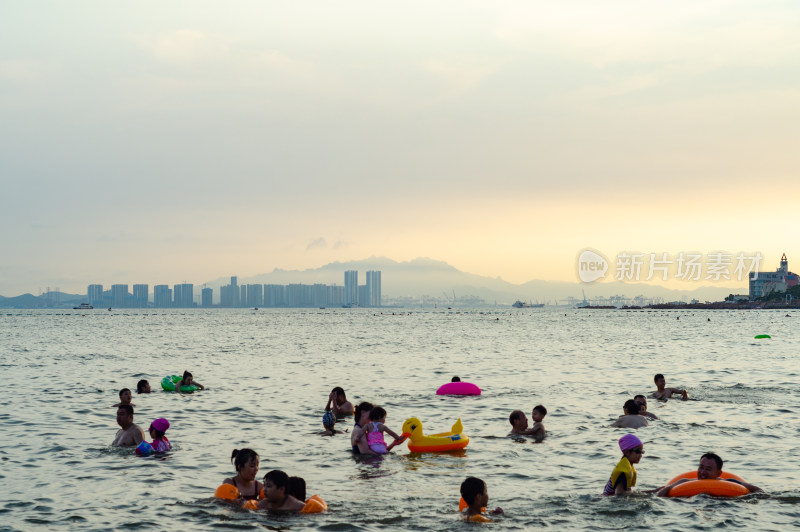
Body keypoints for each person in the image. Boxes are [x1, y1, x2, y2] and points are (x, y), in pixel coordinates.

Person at [657, 453, 762, 496]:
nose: (702, 472)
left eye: (708, 469)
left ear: (718, 473)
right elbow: (664, 491)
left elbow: (756, 490)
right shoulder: (684, 482)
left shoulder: (730, 482)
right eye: (701, 467)